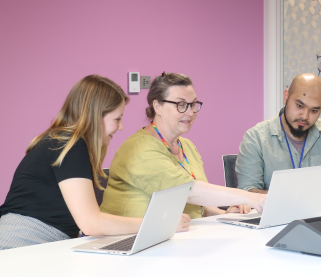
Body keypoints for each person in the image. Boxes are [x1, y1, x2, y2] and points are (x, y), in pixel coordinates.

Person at [0, 75, 190, 254]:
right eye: (117, 119)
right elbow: (91, 224)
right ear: (96, 116)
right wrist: (160, 224)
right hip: (16, 248)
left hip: (44, 247)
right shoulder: (70, 145)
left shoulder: (65, 142)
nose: (121, 126)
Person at [100, 72, 265, 220]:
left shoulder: (187, 146)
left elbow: (196, 206)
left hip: (177, 237)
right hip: (127, 241)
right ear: (157, 106)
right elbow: (187, 191)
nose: (190, 112)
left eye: (193, 104)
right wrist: (247, 197)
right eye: (181, 104)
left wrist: (225, 214)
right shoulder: (139, 149)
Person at [235, 73, 321, 196]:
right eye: (299, 105)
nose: (305, 116)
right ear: (286, 96)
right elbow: (247, 192)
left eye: (314, 110)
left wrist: (303, 191)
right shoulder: (255, 138)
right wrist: (303, 193)